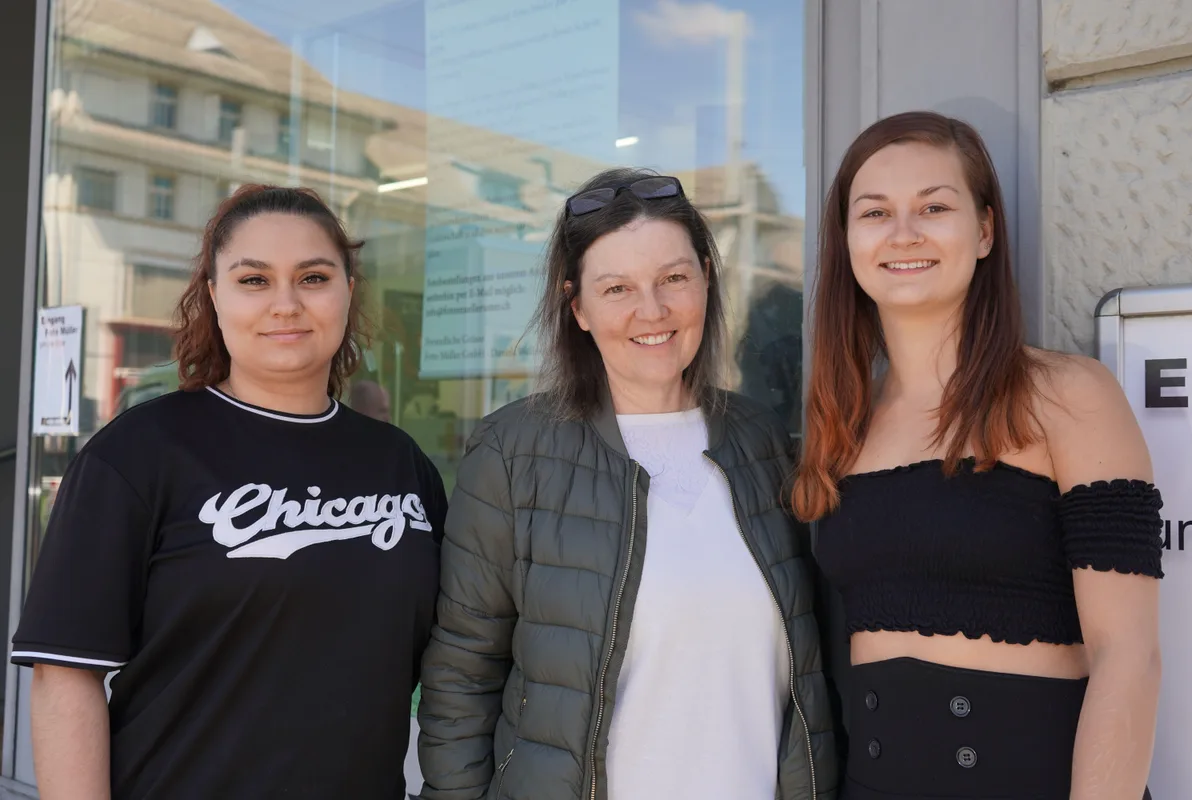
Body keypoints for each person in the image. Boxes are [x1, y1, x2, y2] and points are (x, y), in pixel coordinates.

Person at [11, 185, 447, 799]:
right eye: (253, 280)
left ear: (348, 289)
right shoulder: (137, 455)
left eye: (314, 277)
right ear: (214, 296)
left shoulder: (402, 467)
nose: (286, 304)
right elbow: (65, 677)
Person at [415, 167, 838, 800]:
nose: (653, 310)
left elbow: (808, 673)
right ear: (577, 306)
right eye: (617, 288)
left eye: (673, 278)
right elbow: (462, 676)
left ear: (705, 278)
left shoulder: (762, 441)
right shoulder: (513, 452)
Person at [795, 111, 1162, 799]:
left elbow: (1129, 658)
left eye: (934, 206)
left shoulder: (1068, 396)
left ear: (985, 229)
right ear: (847, 240)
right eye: (874, 212)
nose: (904, 233)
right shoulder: (844, 425)